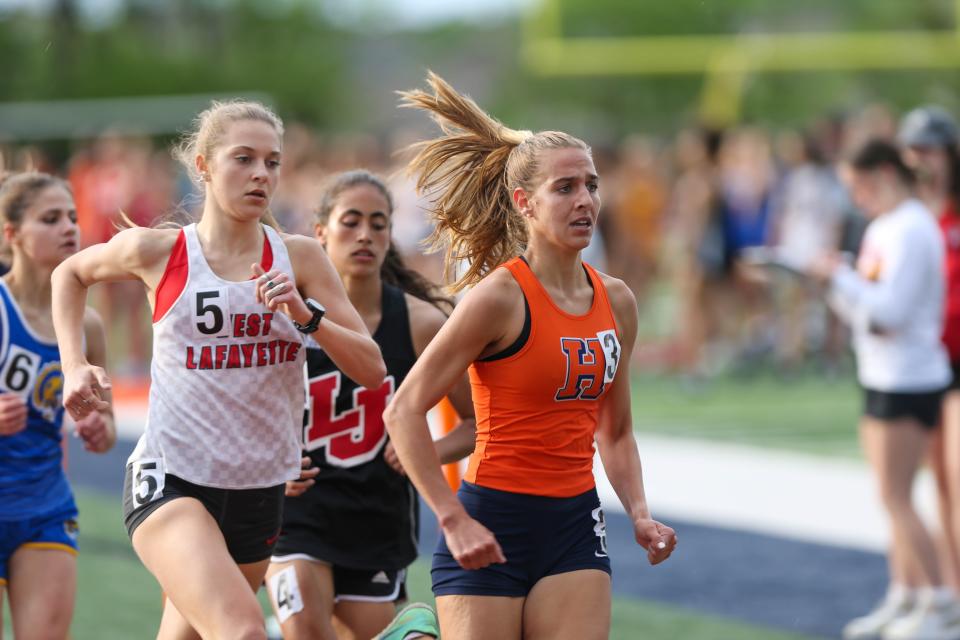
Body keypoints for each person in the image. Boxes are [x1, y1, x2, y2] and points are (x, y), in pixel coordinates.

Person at [51, 100, 386, 640]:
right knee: (244, 631)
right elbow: (69, 274)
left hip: (259, 487)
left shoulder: (299, 257)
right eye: (244, 159)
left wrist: (305, 317)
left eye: (273, 162)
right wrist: (75, 365)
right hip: (171, 478)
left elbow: (371, 368)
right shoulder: (160, 250)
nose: (261, 174)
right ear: (203, 166)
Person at [382, 72, 677, 640]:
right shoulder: (497, 298)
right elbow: (404, 410)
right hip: (492, 518)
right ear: (525, 203)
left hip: (575, 522)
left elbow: (613, 432)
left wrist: (639, 512)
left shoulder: (618, 301)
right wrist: (451, 518)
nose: (585, 200)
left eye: (591, 185)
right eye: (565, 188)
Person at [265, 169, 476, 640]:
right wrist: (268, 463)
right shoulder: (284, 310)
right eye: (351, 221)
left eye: (378, 223)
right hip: (296, 515)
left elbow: (475, 423)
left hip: (376, 522)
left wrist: (427, 452)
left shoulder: (421, 322)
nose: (365, 235)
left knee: (408, 635)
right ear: (319, 232)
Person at [808, 139, 960, 640]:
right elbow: (865, 315)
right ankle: (906, 593)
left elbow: (890, 311)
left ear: (884, 175)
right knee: (890, 495)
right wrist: (836, 284)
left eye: (860, 185)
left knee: (897, 495)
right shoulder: (884, 226)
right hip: (881, 370)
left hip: (910, 375)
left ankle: (940, 601)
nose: (857, 198)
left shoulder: (914, 227)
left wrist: (840, 278)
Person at [0, 172, 116, 639]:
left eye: (71, 216)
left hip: (45, 504)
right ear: (12, 234)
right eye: (50, 219)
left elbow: (103, 427)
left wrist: (99, 430)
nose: (69, 227)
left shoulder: (87, 326)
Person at [899, 105, 960, 594]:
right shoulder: (903, 217)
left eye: (930, 150)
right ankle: (920, 589)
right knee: (912, 485)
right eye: (914, 150)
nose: (922, 160)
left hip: (953, 362)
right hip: (915, 364)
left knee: (953, 479)